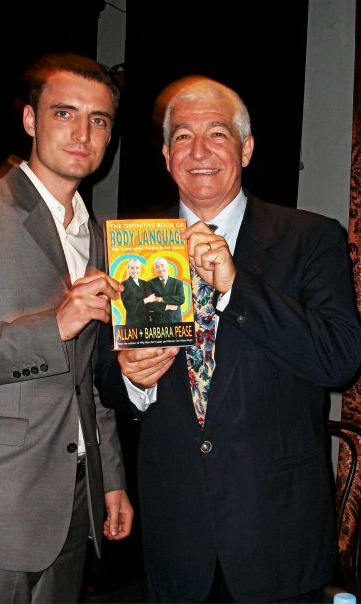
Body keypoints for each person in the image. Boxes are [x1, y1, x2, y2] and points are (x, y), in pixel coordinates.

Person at [95, 74, 361, 604]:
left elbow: (339, 360)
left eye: (217, 133)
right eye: (183, 136)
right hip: (176, 528)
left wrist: (236, 287)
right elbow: (104, 377)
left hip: (277, 530)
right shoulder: (130, 248)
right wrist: (133, 380)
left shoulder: (310, 238)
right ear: (167, 155)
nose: (199, 151)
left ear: (247, 148)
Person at [0, 51, 134, 604]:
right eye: (64, 113)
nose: (82, 133)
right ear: (31, 120)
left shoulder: (99, 237)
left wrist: (110, 477)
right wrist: (52, 326)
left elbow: (86, 379)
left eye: (99, 120)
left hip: (73, 504)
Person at [145, 256, 185, 323]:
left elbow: (181, 299)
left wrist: (161, 299)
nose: (160, 269)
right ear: (155, 270)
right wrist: (167, 306)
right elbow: (149, 304)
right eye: (157, 267)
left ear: (167, 267)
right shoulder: (149, 284)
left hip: (174, 321)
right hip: (157, 322)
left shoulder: (178, 283)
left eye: (162, 265)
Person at [121, 257, 151, 326]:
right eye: (132, 268)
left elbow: (151, 303)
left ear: (140, 269)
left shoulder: (144, 283)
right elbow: (130, 307)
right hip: (133, 323)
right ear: (128, 269)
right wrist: (145, 301)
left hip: (146, 322)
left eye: (137, 268)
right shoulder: (124, 284)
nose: (135, 271)